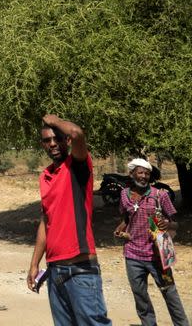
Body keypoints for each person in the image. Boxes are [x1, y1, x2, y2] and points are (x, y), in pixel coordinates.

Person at [27, 114, 111, 325]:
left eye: (58, 138)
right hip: (55, 271)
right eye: (47, 140)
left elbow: (77, 133)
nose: (53, 144)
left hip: (80, 271)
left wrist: (53, 121)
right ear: (42, 145)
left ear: (67, 141)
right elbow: (47, 221)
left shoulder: (77, 167)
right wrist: (34, 264)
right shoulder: (45, 176)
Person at [114, 158, 188, 326]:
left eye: (147, 173)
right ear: (132, 174)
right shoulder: (124, 195)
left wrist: (168, 224)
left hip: (159, 256)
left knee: (170, 293)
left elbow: (176, 224)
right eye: (140, 172)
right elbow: (126, 218)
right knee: (141, 298)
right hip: (132, 256)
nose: (144, 176)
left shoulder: (160, 195)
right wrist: (120, 228)